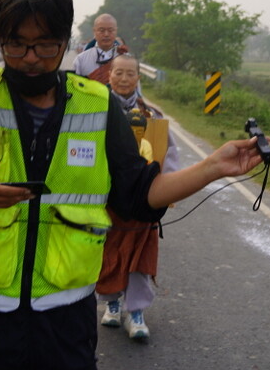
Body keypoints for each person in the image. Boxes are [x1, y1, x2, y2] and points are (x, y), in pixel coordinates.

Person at [0, 0, 263, 370]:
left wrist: (213, 167)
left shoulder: (97, 104)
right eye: (17, 44)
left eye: (45, 45)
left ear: (66, 43)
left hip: (67, 325)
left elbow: (138, 194)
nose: (30, 58)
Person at [96, 53, 179, 340]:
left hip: (143, 199)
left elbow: (169, 155)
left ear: (138, 78)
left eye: (130, 73)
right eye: (118, 72)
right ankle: (113, 304)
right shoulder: (95, 110)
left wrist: (167, 191)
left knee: (141, 255)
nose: (123, 78)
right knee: (109, 253)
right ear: (109, 75)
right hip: (107, 198)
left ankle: (136, 312)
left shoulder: (152, 115)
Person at [73, 13, 128, 84]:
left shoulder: (126, 58)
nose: (106, 34)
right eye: (101, 30)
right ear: (94, 31)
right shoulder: (81, 60)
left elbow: (135, 91)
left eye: (110, 30)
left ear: (116, 31)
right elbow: (75, 89)